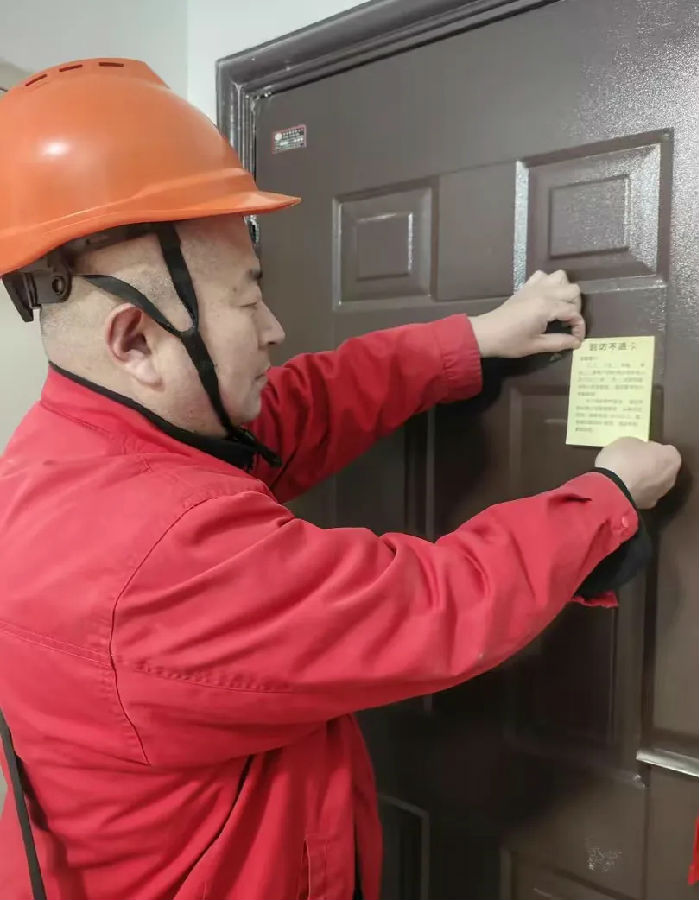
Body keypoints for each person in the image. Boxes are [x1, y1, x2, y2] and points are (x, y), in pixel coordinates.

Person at [0, 59, 680, 900]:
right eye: (247, 300)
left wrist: (473, 341)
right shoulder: (154, 555)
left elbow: (301, 407)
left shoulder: (73, 450)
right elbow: (433, 606)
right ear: (135, 341)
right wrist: (605, 498)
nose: (274, 327)